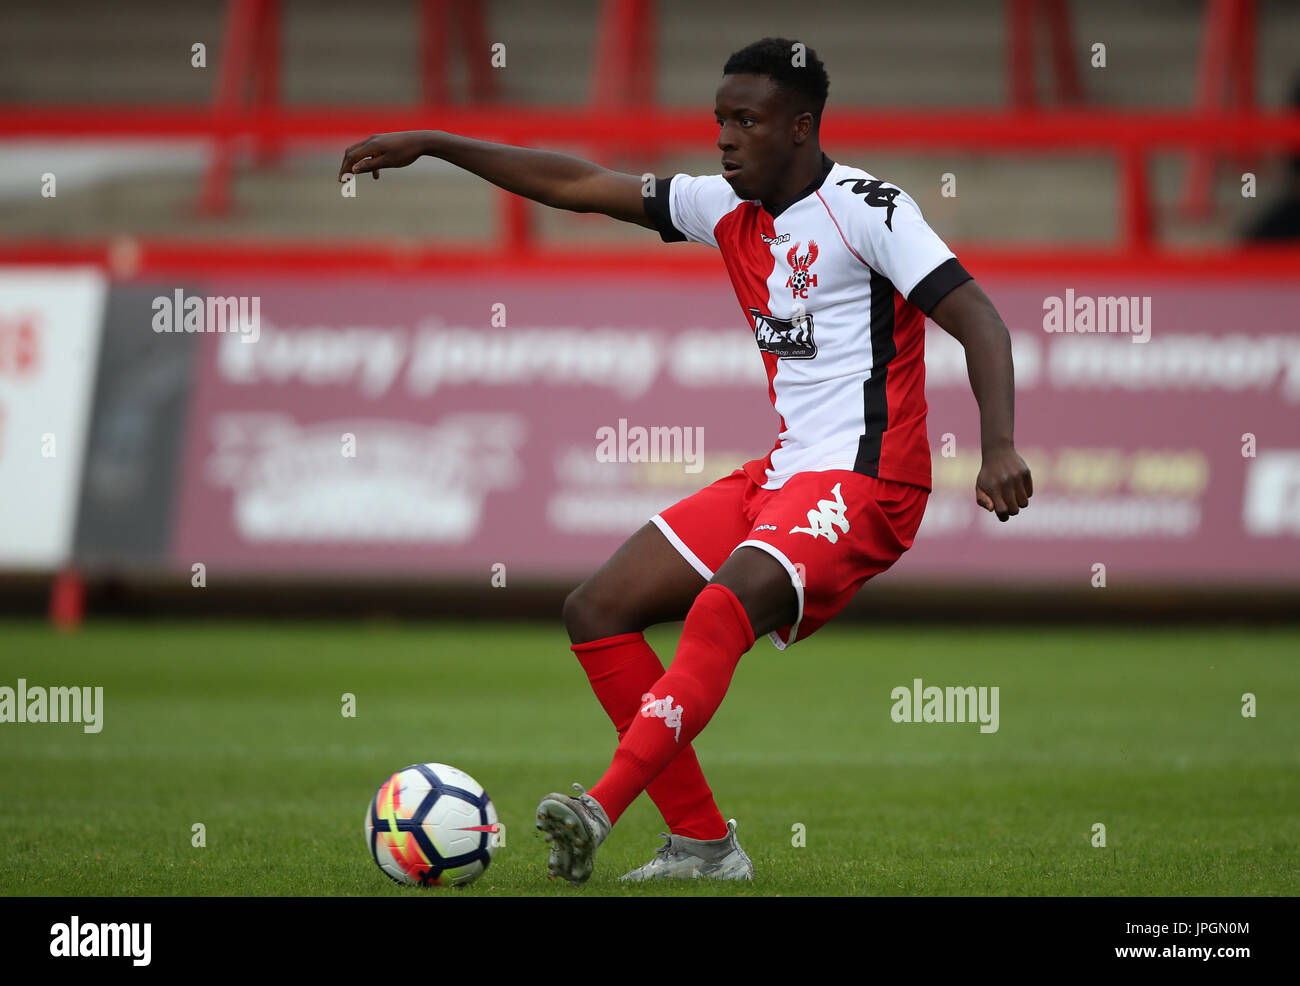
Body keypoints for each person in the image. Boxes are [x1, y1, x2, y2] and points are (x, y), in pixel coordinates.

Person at [339, 37, 1033, 886]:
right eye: (720, 121)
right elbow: (576, 185)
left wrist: (997, 445)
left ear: (801, 127)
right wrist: (441, 146)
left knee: (719, 609)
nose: (726, 139)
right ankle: (705, 847)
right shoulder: (721, 207)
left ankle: (599, 808)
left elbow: (982, 321)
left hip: (869, 480)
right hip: (783, 475)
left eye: (748, 120)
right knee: (597, 608)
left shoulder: (869, 210)